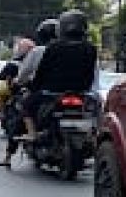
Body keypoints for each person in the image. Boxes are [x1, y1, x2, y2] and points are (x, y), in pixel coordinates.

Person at [23, 9, 99, 141]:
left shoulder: (54, 47)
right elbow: (90, 73)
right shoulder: (90, 48)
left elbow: (42, 71)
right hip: (81, 91)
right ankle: (93, 137)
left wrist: (33, 87)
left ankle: (32, 134)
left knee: (26, 105)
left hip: (53, 92)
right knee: (95, 111)